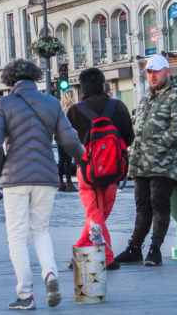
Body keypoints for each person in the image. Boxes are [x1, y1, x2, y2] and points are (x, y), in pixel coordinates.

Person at [0, 59, 85, 310]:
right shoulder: (51, 103)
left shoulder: (5, 104)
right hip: (46, 175)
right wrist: (82, 156)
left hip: (15, 177)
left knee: (17, 234)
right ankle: (50, 273)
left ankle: (26, 294)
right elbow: (69, 139)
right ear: (35, 77)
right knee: (40, 229)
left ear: (9, 80)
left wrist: (1, 167)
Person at [114, 55, 177, 268]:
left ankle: (155, 249)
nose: (152, 76)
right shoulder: (146, 97)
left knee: (159, 204)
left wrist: (158, 146)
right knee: (142, 207)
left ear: (168, 71)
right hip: (141, 163)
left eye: (156, 71)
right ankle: (134, 248)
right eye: (149, 72)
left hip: (164, 163)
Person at [66, 68, 135, 269]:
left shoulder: (75, 111)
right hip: (113, 170)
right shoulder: (119, 106)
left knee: (94, 215)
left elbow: (66, 142)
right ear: (103, 84)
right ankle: (89, 254)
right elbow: (129, 138)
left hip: (87, 171)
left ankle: (103, 256)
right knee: (97, 216)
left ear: (82, 87)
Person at [56, 91, 78, 193]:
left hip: (59, 136)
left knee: (61, 160)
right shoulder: (73, 109)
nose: (75, 97)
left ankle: (61, 183)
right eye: (74, 95)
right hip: (68, 137)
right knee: (68, 160)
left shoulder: (59, 109)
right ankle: (69, 183)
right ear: (71, 97)